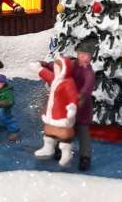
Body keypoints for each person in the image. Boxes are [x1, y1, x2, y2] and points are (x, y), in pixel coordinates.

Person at [32, 56, 79, 167]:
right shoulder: (56, 80)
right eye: (56, 68)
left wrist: (72, 108)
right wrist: (38, 68)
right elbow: (47, 75)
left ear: (65, 69)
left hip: (62, 114)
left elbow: (73, 97)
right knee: (49, 131)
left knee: (63, 135)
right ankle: (48, 148)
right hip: (52, 113)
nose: (56, 70)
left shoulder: (68, 83)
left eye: (58, 68)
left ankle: (66, 153)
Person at [70, 39, 96, 171]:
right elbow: (58, 66)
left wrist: (82, 96)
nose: (85, 57)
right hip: (68, 103)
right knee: (65, 129)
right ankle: (60, 149)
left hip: (82, 107)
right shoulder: (71, 64)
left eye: (88, 55)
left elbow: (89, 83)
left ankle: (85, 157)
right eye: (82, 54)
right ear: (78, 54)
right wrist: (44, 65)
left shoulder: (88, 71)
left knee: (83, 132)